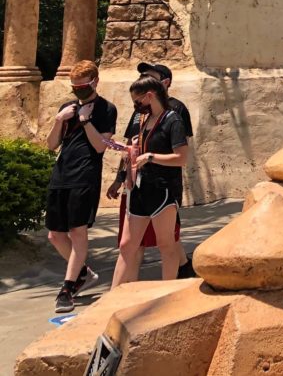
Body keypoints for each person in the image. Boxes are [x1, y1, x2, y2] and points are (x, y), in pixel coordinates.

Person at [107, 62, 194, 279]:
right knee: (127, 245)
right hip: (139, 187)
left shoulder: (173, 117)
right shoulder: (143, 118)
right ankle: (113, 297)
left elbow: (182, 158)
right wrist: (131, 154)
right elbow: (136, 145)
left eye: (138, 101)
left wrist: (151, 157)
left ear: (149, 95)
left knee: (167, 244)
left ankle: (167, 293)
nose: (136, 106)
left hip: (162, 189)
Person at [44, 60, 118, 313]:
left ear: (95, 82)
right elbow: (51, 145)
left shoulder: (106, 109)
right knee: (54, 235)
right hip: (61, 173)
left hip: (85, 175)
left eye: (83, 87)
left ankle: (67, 288)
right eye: (74, 87)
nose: (78, 91)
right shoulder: (67, 107)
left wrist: (86, 122)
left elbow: (100, 147)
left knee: (77, 231)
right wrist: (58, 120)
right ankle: (83, 272)